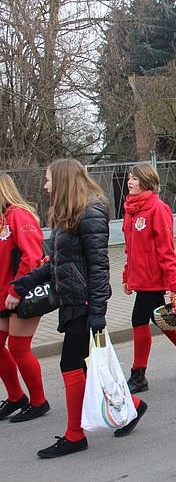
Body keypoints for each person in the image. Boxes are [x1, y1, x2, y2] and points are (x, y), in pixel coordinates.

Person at [10, 159, 147, 458]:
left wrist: (97, 311)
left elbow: (99, 268)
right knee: (87, 366)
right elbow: (58, 264)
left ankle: (75, 436)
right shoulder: (67, 213)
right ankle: (133, 407)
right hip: (71, 300)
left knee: (70, 366)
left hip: (84, 304)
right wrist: (23, 284)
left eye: (48, 180)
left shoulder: (91, 212)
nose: (45, 186)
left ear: (63, 180)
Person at [122, 163, 176, 394]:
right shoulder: (130, 209)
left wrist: (173, 286)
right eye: (129, 178)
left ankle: (138, 374)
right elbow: (129, 248)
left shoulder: (157, 208)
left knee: (139, 320)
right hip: (140, 277)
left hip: (154, 278)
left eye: (134, 178)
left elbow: (166, 249)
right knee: (161, 321)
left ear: (145, 180)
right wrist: (126, 275)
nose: (129, 182)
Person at [0, 174, 49, 423]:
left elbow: (31, 257)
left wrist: (16, 290)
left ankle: (38, 401)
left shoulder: (18, 215)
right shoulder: (3, 218)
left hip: (20, 294)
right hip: (3, 295)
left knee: (19, 348)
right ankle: (16, 396)